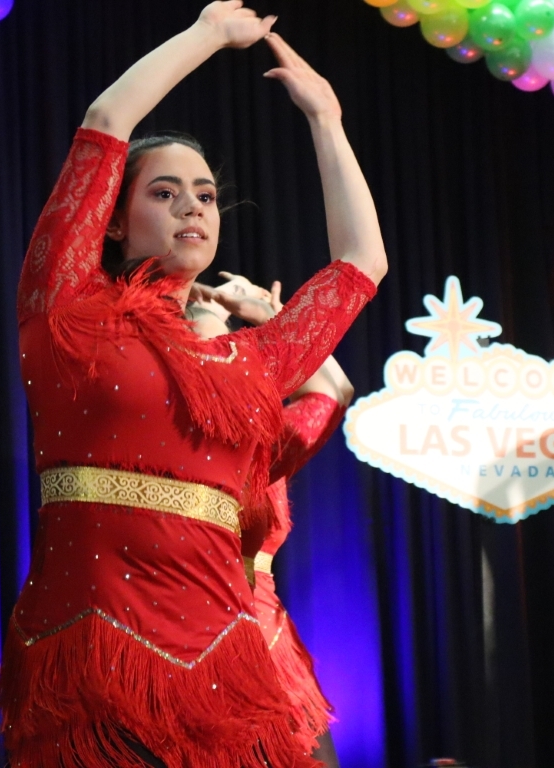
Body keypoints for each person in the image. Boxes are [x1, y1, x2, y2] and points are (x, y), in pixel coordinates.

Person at [0, 1, 388, 765]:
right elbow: (107, 120)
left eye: (206, 195)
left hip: (225, 663)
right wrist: (208, 34)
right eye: (164, 192)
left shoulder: (248, 363)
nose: (193, 207)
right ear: (113, 220)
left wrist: (327, 120)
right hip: (94, 652)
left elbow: (359, 265)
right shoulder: (67, 311)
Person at [194, 274, 353, 768]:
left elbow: (337, 391)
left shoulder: (261, 445)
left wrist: (273, 318)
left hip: (265, 629)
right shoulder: (173, 440)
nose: (226, 356)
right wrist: (223, 317)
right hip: (194, 626)